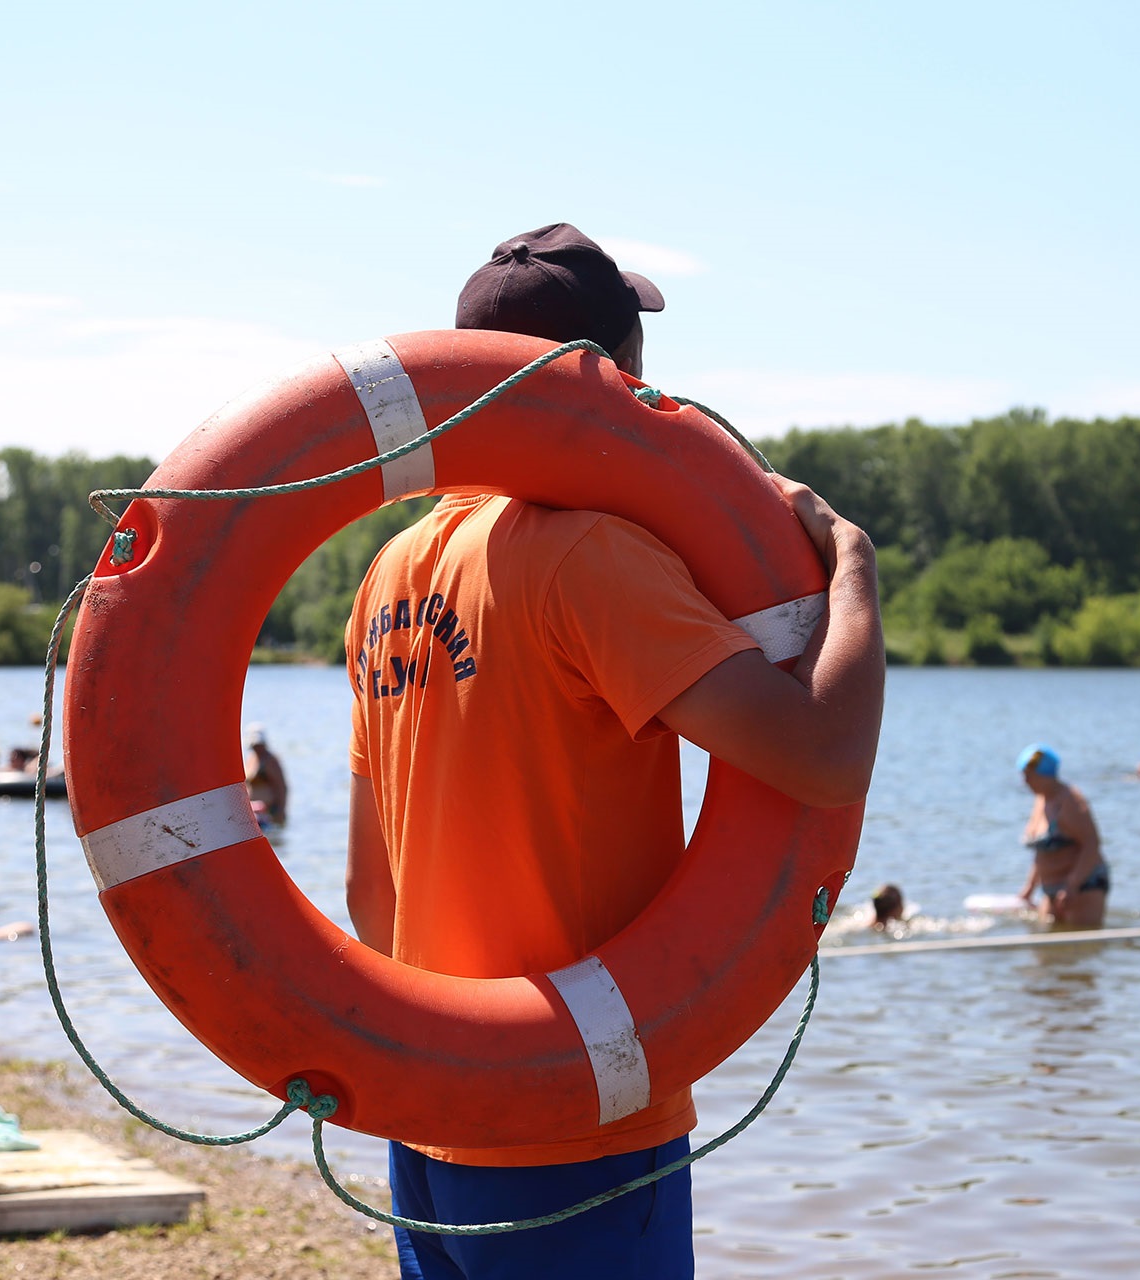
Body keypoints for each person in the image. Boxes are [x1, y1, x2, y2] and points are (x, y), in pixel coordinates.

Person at [343, 222, 884, 1280]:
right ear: (613, 376)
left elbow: (372, 897)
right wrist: (854, 569)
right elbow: (823, 756)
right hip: (575, 1124)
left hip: (435, 1114)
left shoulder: (392, 570)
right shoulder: (591, 556)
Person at [1014, 744, 1108, 928]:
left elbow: (1091, 845)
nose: (1025, 782)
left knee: (1081, 940)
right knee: (1047, 941)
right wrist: (1029, 889)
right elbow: (1041, 850)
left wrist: (1072, 885)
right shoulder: (1042, 799)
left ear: (1044, 774)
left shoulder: (1071, 802)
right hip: (1051, 888)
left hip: (1083, 886)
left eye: (1028, 775)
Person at [244, 725, 290, 826]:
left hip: (269, 813)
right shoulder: (251, 759)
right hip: (253, 813)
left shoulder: (270, 761)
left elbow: (282, 787)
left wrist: (280, 811)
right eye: (255, 745)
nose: (258, 748)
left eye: (259, 744)